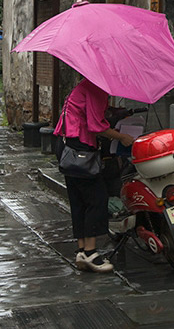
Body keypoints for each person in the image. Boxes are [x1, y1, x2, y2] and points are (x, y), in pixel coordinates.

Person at [54, 78, 135, 273]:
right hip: (80, 150)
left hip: (66, 146)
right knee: (96, 199)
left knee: (79, 201)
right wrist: (122, 137)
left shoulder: (85, 85)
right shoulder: (96, 89)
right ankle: (91, 253)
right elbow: (96, 125)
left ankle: (82, 250)